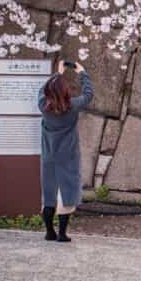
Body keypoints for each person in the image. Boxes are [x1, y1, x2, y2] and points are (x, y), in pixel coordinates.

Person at [38, 60, 94, 242]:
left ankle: (49, 231)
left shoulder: (43, 105)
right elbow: (88, 94)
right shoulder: (73, 106)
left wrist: (57, 74)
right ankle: (62, 233)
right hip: (69, 156)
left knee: (49, 194)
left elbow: (42, 90)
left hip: (49, 156)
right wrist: (82, 73)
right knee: (67, 193)